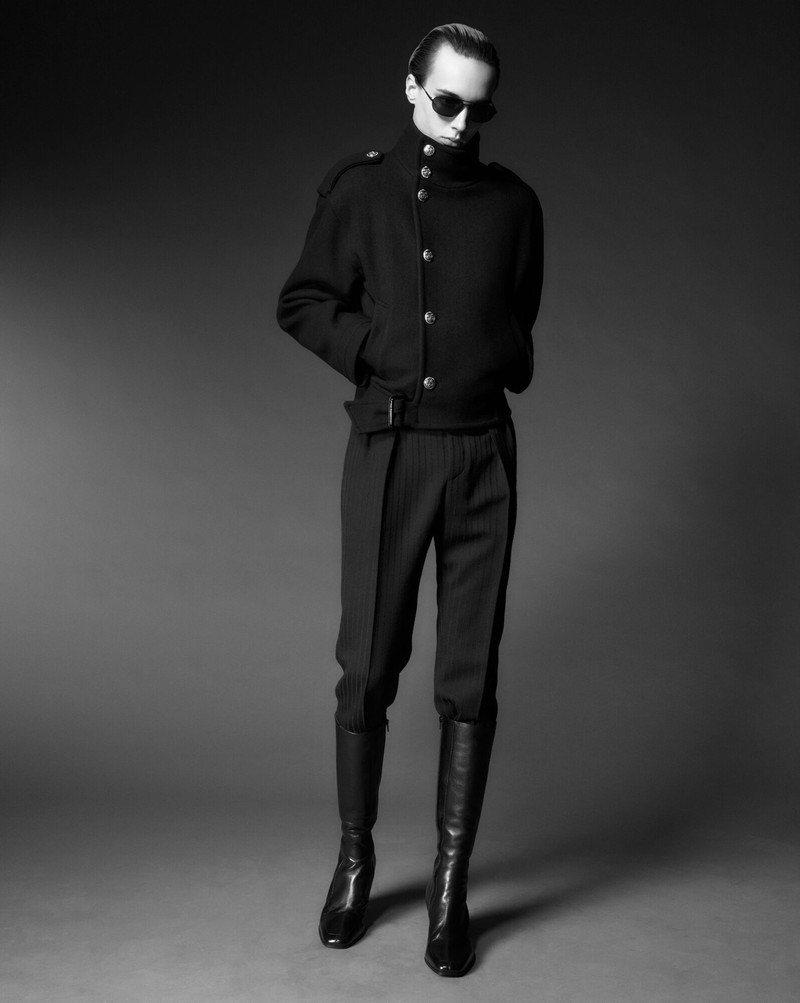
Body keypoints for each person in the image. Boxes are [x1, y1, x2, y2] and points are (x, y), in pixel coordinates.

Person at [276, 23, 543, 977]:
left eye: (481, 107)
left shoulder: (515, 204)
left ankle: (449, 886)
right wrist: (379, 352)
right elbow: (302, 301)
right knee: (368, 665)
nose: (464, 123)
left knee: (469, 675)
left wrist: (487, 360)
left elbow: (520, 319)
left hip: (482, 455)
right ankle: (356, 861)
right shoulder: (361, 192)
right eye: (447, 102)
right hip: (391, 449)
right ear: (411, 90)